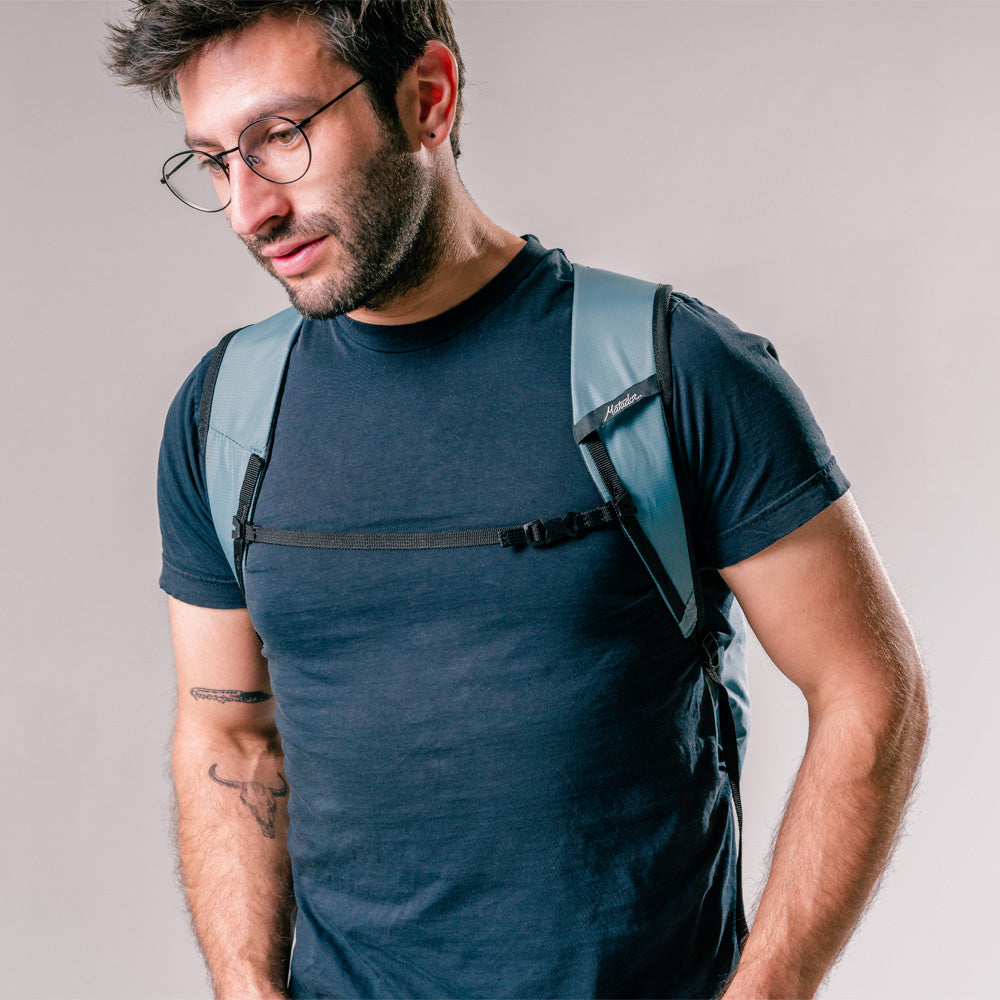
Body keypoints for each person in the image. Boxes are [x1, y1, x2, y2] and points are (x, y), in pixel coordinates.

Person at [106, 3, 928, 998]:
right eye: (214, 161)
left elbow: (870, 692)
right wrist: (246, 988)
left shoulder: (669, 375)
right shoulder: (226, 412)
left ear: (427, 98)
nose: (248, 208)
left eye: (281, 139)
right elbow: (227, 731)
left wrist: (765, 991)